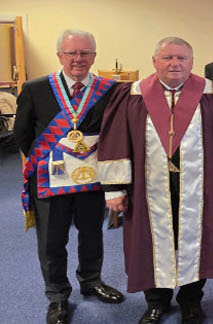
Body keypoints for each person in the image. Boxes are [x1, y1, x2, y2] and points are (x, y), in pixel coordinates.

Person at [99, 37, 213, 324]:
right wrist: (114, 187)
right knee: (149, 241)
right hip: (146, 187)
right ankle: (155, 302)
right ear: (154, 61)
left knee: (197, 240)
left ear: (192, 62)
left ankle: (191, 302)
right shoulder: (133, 94)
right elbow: (115, 141)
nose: (175, 63)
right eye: (167, 58)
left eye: (181, 58)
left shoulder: (212, 94)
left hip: (199, 187)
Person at [15, 29, 125, 324]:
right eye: (72, 53)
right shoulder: (35, 88)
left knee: (92, 235)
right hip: (51, 180)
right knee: (52, 241)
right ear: (60, 56)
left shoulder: (109, 89)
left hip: (91, 180)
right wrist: (50, 159)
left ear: (94, 56)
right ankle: (58, 296)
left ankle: (91, 281)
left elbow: (114, 134)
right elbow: (22, 134)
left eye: (85, 53)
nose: (78, 59)